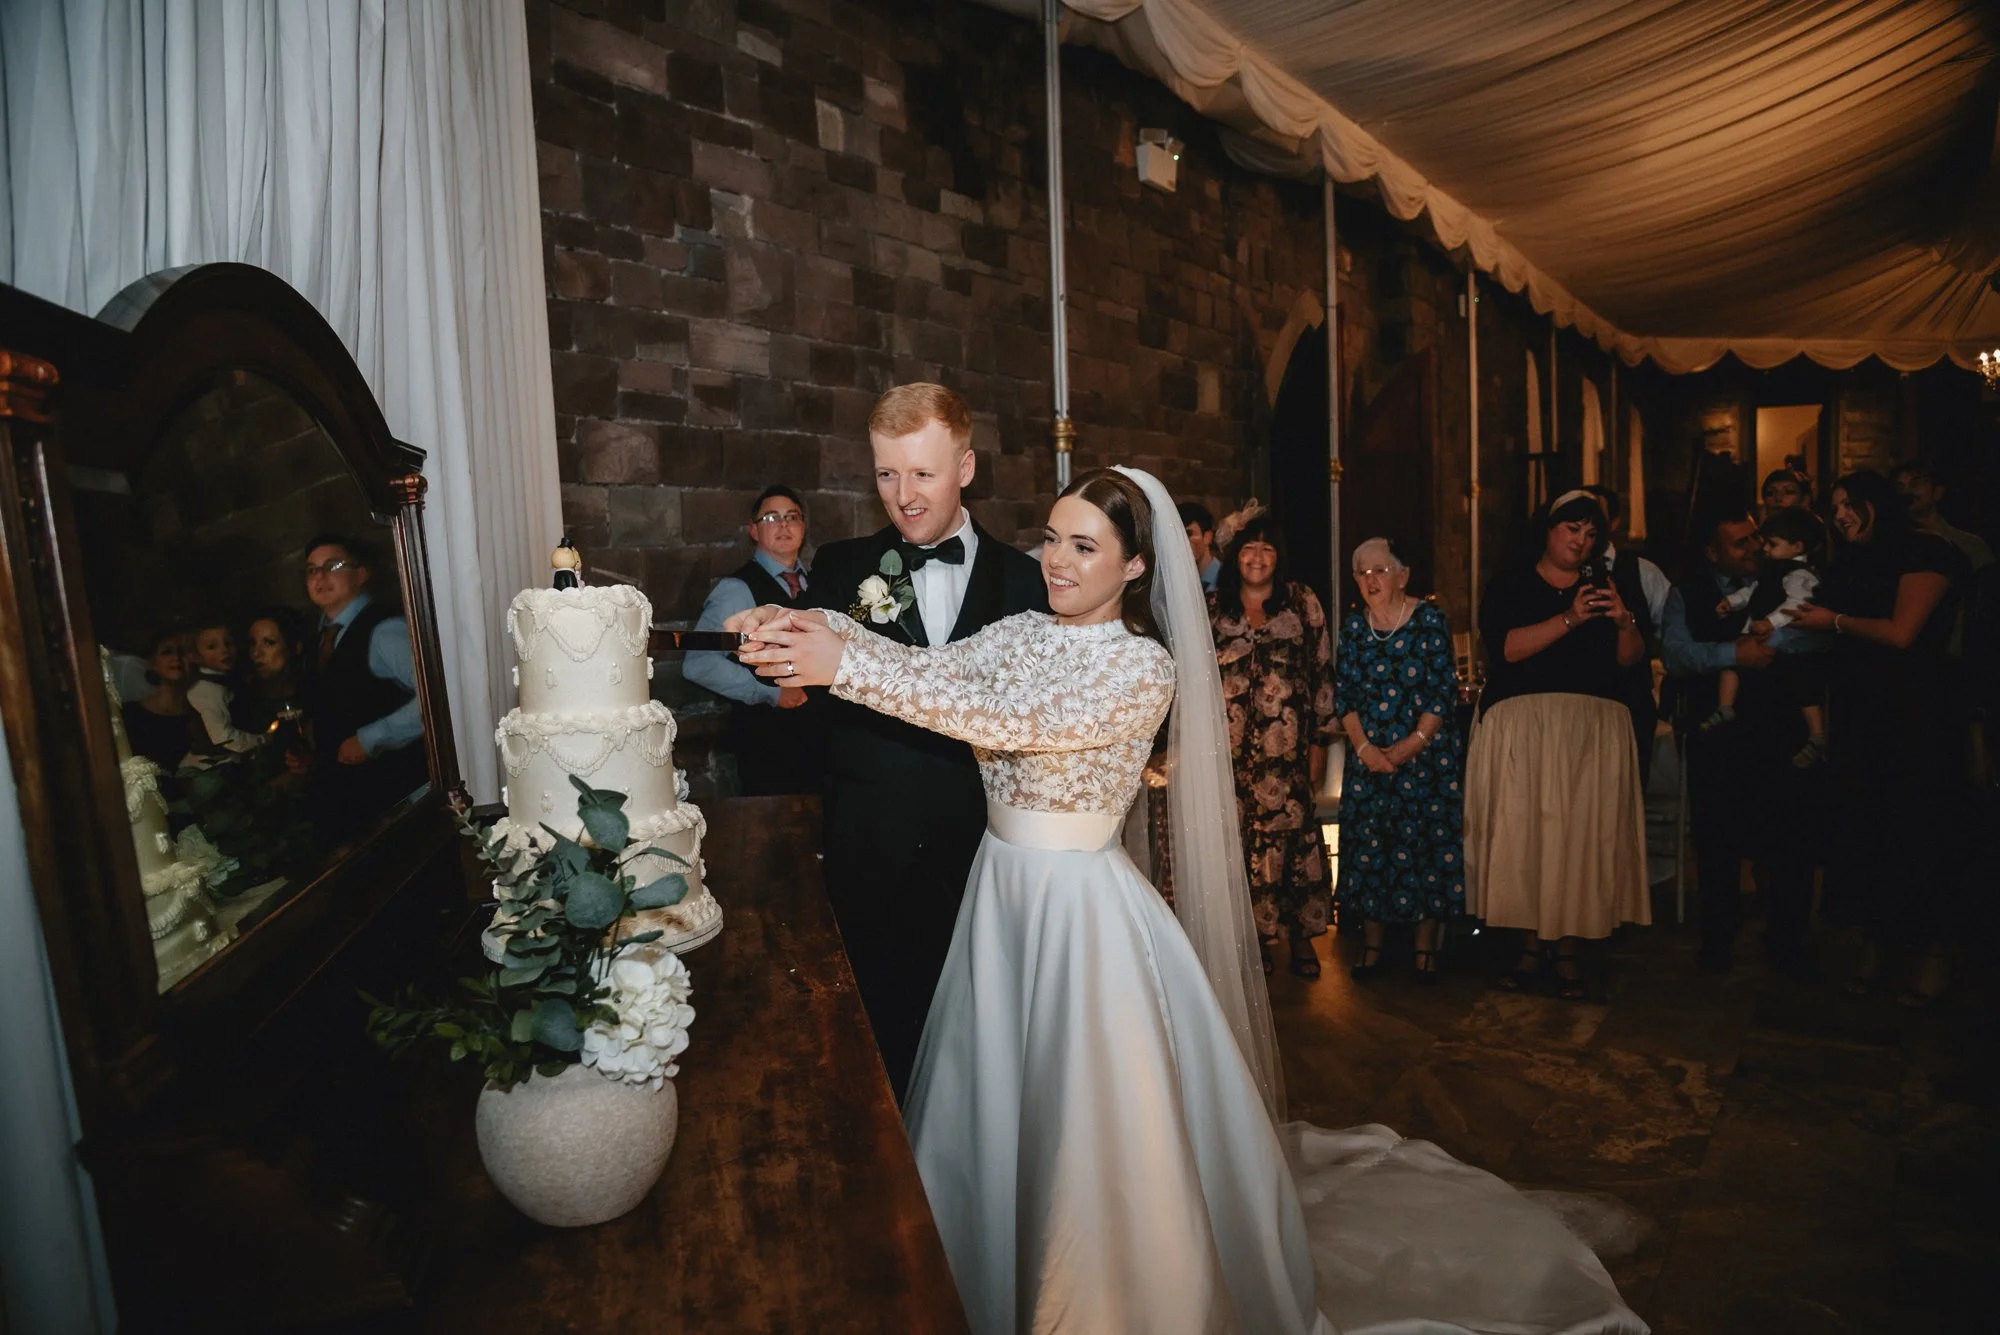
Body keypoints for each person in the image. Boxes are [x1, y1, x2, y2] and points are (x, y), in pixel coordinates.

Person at [730, 468, 1644, 1335]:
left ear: (1135, 565)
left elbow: (1008, 724)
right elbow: (931, 670)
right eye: (1052, 538)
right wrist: (807, 622)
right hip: (1000, 902)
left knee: (1083, 1129)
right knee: (995, 1108)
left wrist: (842, 668)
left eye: (1085, 547)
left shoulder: (1141, 670)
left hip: (1080, 919)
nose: (1056, 560)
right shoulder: (1015, 633)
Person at [798, 384, 1047, 1099]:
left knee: (987, 1062)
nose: (902, 496)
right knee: (876, 1063)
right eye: (886, 473)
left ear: (966, 467)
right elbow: (818, 718)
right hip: (870, 858)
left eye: (923, 473)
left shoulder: (1028, 581)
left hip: (984, 862)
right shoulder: (842, 568)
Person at [1788, 471, 1968, 1005]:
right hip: (1861, 715)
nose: (1840, 514)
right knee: (1864, 830)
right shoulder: (1849, 564)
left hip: (1914, 716)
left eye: (1849, 505)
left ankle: (1929, 956)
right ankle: (1873, 948)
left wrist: (1834, 621)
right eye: (1835, 506)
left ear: (1877, 506)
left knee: (1913, 830)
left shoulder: (1925, 552)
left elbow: (1901, 631)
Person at [1466, 490, 1650, 1000]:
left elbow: (1631, 660)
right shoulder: (1512, 583)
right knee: (1526, 833)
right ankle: (1528, 948)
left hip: (1591, 726)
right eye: (1573, 529)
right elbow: (1506, 649)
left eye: (1591, 534)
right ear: (1548, 530)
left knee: (1577, 837)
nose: (1581, 540)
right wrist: (1570, 617)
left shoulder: (1608, 585)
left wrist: (1623, 620)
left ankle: (1567, 951)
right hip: (1525, 723)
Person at [1661, 509, 1821, 977]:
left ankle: (1790, 942)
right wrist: (1735, 653)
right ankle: (1718, 940)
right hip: (1721, 736)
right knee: (1717, 844)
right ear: (1713, 553)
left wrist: (1778, 646)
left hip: (1781, 730)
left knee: (1790, 843)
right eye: (1739, 544)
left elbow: (1820, 640)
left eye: (1757, 538)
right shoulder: (1686, 592)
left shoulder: (1795, 580)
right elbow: (1675, 653)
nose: (1754, 548)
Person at [1209, 510, 1335, 979]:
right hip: (1230, 755)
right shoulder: (1213, 606)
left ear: (1278, 556)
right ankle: (1254, 941)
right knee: (1239, 847)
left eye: (1266, 547)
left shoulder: (1301, 603)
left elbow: (1322, 672)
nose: (1257, 557)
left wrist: (1320, 741)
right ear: (1233, 556)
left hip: (1288, 755)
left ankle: (1301, 939)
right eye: (1247, 547)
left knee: (1293, 841)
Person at [1332, 537, 1465, 982]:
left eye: (1380, 571)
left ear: (1403, 576)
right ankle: (1373, 946)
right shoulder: (1353, 628)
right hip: (1369, 758)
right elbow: (1344, 696)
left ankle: (1425, 950)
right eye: (1362, 572)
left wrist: (1413, 744)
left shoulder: (1428, 620)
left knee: (1425, 846)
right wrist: (1366, 750)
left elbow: (1442, 689)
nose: (1370, 580)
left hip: (1425, 758)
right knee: (1372, 849)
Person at [683, 484, 822, 796]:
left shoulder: (818, 584)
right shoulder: (737, 589)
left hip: (824, 744)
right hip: (770, 747)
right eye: (772, 518)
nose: (784, 525)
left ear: (803, 528)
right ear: (754, 531)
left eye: (792, 517)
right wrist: (769, 694)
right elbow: (698, 662)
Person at [299, 533, 428, 841]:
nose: (320, 576)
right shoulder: (318, 638)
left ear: (361, 573)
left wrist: (370, 738)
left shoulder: (384, 630)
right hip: (351, 801)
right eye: (312, 569)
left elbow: (433, 696)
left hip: (398, 793)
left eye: (333, 565)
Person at [1701, 507, 1831, 766]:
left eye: (1772, 544)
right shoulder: (1772, 570)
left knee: (1801, 686)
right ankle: (1725, 706)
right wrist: (1732, 601)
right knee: (1734, 659)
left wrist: (1770, 623)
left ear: (1797, 546)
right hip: (1762, 632)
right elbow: (1753, 592)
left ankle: (1817, 734)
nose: (1766, 550)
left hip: (1788, 637)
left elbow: (1796, 603)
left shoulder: (1799, 575)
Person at [1583, 484, 1665, 785]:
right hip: (1577, 708)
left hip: (1629, 703)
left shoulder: (1644, 572)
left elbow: (1667, 630)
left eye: (1595, 516)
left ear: (1613, 523)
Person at [121, 627, 211, 771]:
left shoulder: (205, 713)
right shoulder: (130, 715)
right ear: (153, 663)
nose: (176, 658)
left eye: (182, 652)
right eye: (167, 652)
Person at [184, 617, 263, 753]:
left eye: (228, 643)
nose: (224, 650)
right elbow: (224, 737)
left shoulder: (230, 681)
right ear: (195, 656)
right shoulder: (204, 690)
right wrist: (261, 740)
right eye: (212, 647)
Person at [231, 606, 306, 739]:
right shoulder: (240, 703)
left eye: (269, 643)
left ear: (294, 647)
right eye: (252, 643)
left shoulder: (313, 696)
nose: (256, 653)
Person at [1179, 499, 1222, 592]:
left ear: (1207, 537)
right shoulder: (1177, 581)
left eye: (1188, 534)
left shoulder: (1228, 579)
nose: (1182, 542)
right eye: (1176, 536)